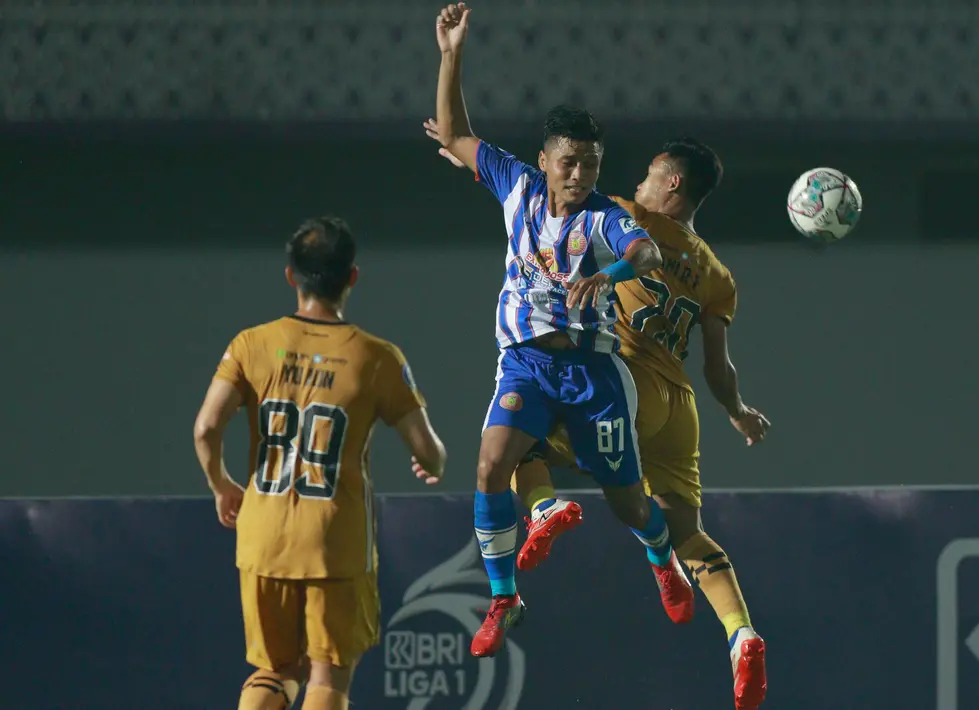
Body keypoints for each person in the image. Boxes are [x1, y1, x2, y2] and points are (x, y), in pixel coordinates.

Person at [426, 131, 771, 709]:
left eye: (646, 177)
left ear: (672, 184)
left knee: (518, 447)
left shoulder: (624, 214)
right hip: (678, 404)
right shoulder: (717, 275)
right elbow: (718, 366)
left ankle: (544, 510)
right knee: (685, 529)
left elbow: (561, 198)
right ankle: (741, 632)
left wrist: (475, 165)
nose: (635, 185)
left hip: (622, 376)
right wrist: (737, 411)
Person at [430, 2, 695, 658]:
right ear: (545, 159)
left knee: (630, 505)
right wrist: (451, 52)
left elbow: (647, 255)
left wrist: (604, 276)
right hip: (525, 363)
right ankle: (502, 597)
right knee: (491, 465)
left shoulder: (603, 217)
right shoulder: (515, 187)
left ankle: (663, 559)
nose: (580, 175)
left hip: (592, 371)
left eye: (591, 164)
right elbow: (456, 134)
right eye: (570, 162)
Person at [191, 216, 447, 710]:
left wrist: (221, 484)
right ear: (352, 277)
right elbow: (427, 448)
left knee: (275, 670)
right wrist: (429, 464)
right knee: (328, 678)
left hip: (264, 533)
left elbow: (205, 428)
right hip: (336, 539)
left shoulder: (252, 344)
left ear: (292, 276)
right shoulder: (375, 357)